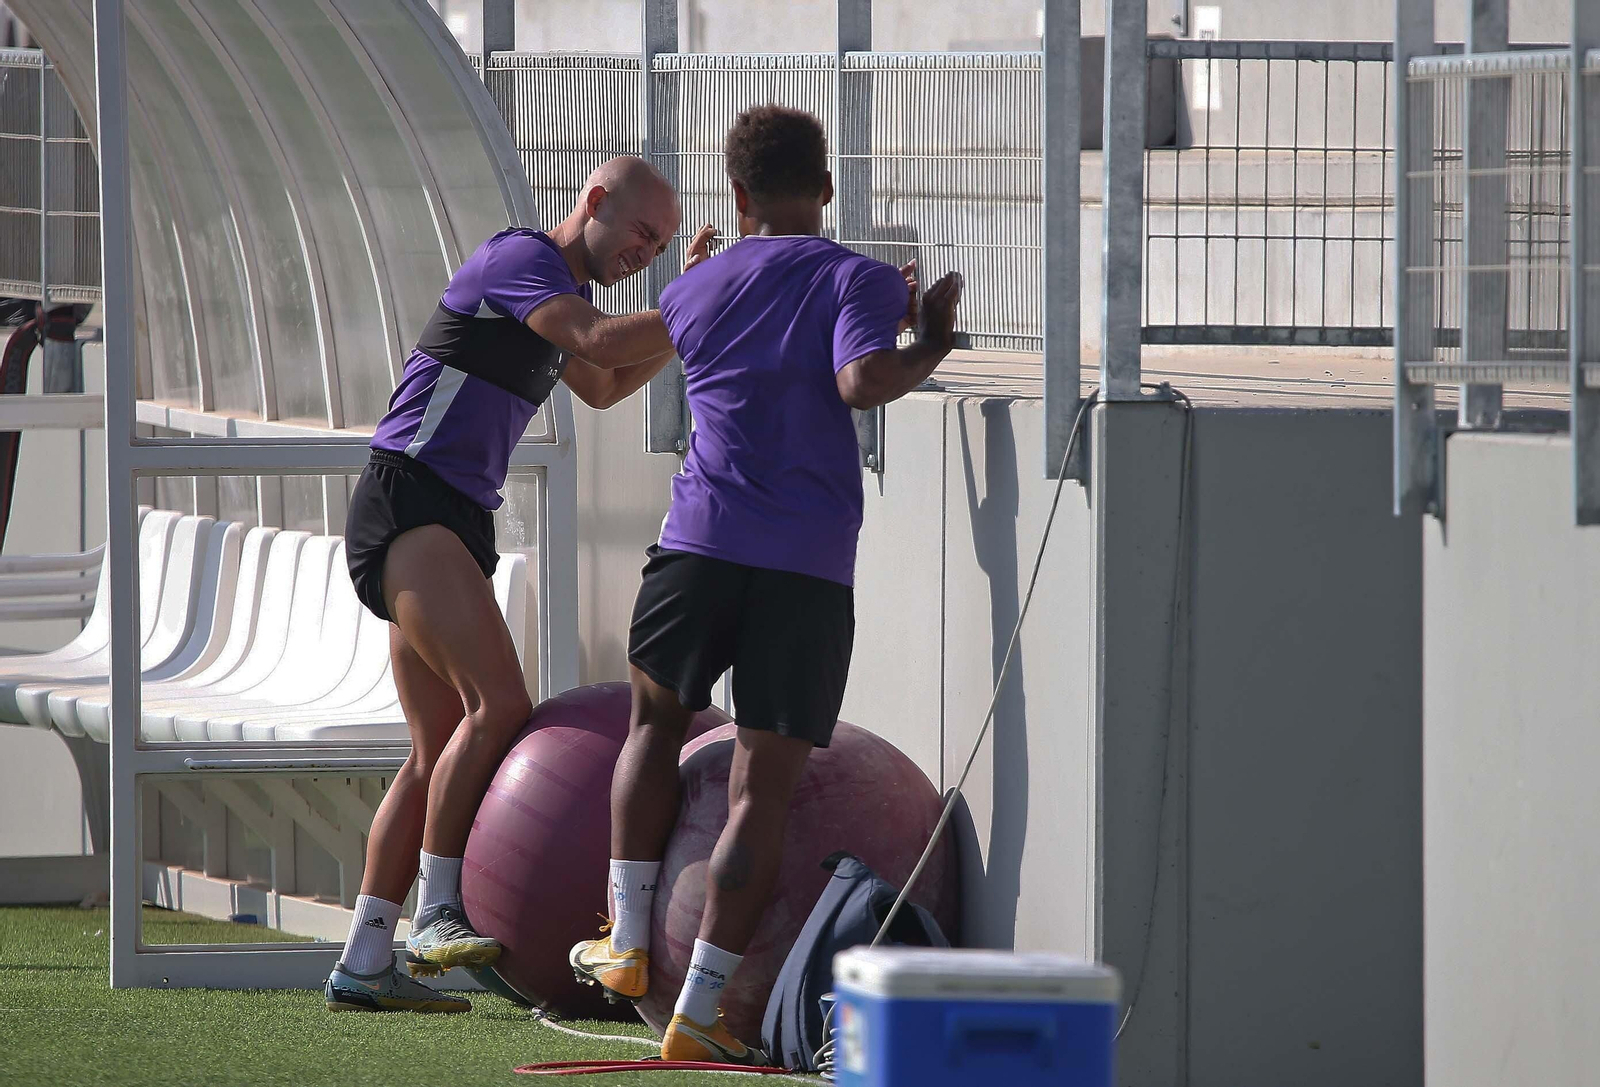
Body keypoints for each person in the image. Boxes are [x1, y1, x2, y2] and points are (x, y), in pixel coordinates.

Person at [570, 106, 963, 1062]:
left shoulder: (697, 286)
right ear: (826, 189)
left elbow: (621, 352)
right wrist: (931, 340)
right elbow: (860, 381)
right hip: (804, 568)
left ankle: (626, 945)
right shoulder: (855, 276)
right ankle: (698, 1014)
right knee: (761, 795)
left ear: (737, 197)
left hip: (696, 547)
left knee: (655, 729)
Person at [324, 156, 716, 1014]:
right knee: (497, 706)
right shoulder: (521, 260)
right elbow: (601, 342)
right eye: (641, 233)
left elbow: (607, 385)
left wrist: (682, 318)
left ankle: (362, 956)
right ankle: (434, 913)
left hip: (451, 519)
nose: (645, 252)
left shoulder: (556, 297)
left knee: (435, 755)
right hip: (411, 500)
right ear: (595, 202)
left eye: (659, 246)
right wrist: (695, 303)